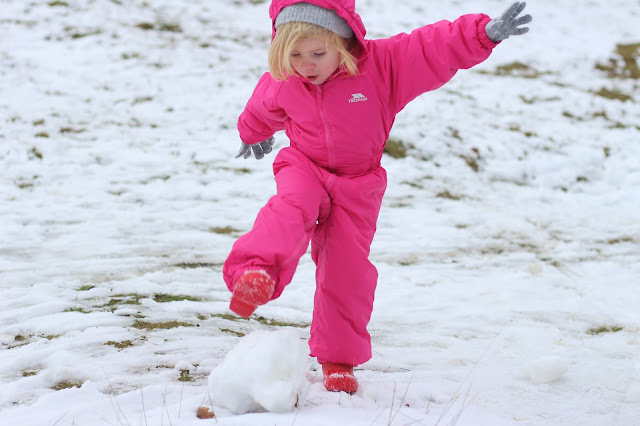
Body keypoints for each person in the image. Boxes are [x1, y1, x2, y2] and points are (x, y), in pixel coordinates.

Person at [223, 0, 532, 394]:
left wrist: (481, 34)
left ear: (343, 41)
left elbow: (430, 49)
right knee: (290, 209)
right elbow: (261, 107)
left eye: (317, 54)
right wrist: (252, 133)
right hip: (304, 166)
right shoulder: (285, 78)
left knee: (347, 270)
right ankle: (256, 274)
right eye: (295, 55)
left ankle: (338, 359)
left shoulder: (383, 67)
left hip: (358, 184)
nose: (305, 65)